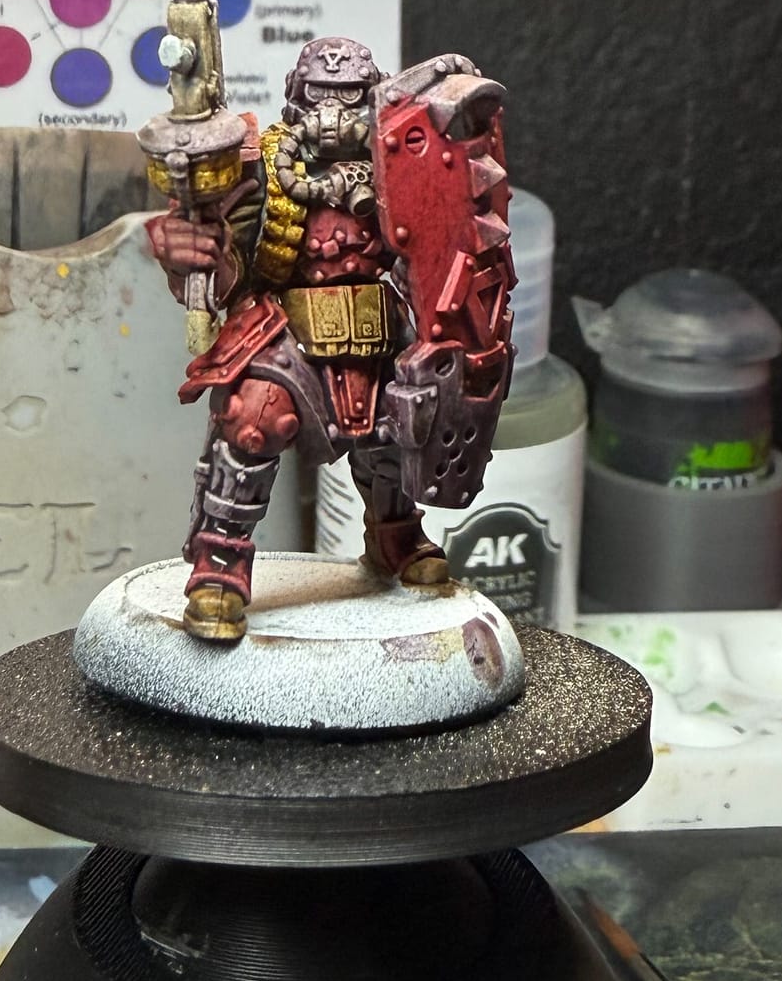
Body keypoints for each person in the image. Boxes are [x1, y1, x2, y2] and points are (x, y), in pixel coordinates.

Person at [146, 33, 513, 643]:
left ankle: (395, 533)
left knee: (400, 426)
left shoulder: (402, 164)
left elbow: (439, 245)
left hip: (379, 326)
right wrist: (192, 251)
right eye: (321, 97)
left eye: (350, 99)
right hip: (290, 331)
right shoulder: (267, 168)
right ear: (297, 96)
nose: (334, 115)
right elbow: (229, 265)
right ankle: (220, 565)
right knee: (254, 420)